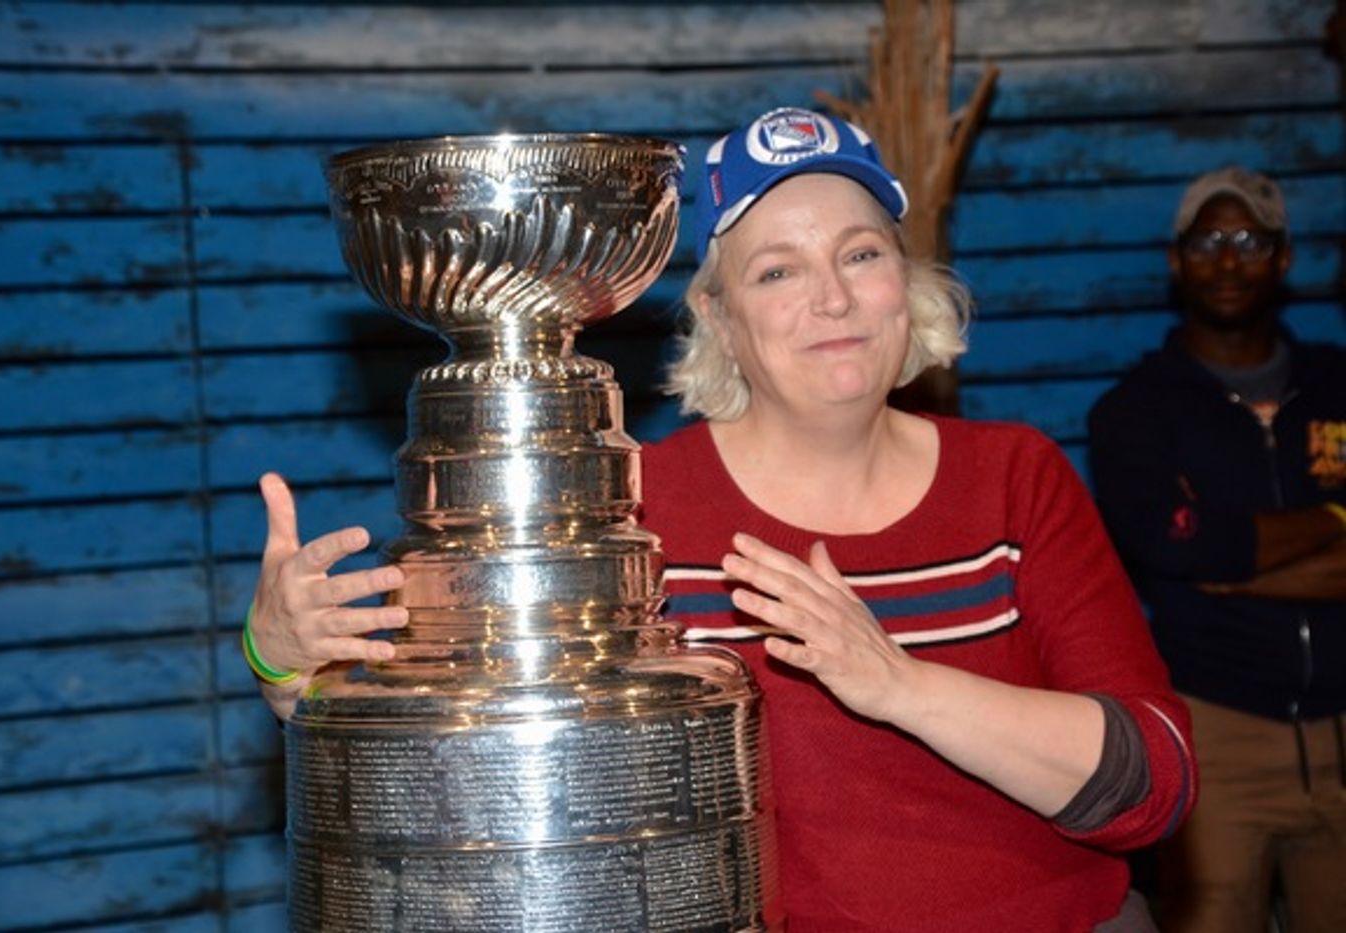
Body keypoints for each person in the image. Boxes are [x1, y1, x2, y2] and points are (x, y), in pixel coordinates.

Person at [246, 106, 1196, 930]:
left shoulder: (1013, 477)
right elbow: (452, 757)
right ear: (719, 316)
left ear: (904, 284)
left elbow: (1154, 781)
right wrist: (283, 656)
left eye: (861, 254)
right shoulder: (625, 509)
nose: (832, 298)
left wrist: (900, 684)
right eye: (777, 272)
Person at [1088, 167, 1346, 933]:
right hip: (1218, 733)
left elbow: (1213, 555)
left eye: (1247, 239)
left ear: (1284, 256)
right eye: (1206, 240)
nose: (1227, 259)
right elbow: (1173, 548)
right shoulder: (1134, 410)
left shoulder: (1339, 384)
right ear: (1177, 260)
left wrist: (1234, 561)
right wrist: (1339, 516)